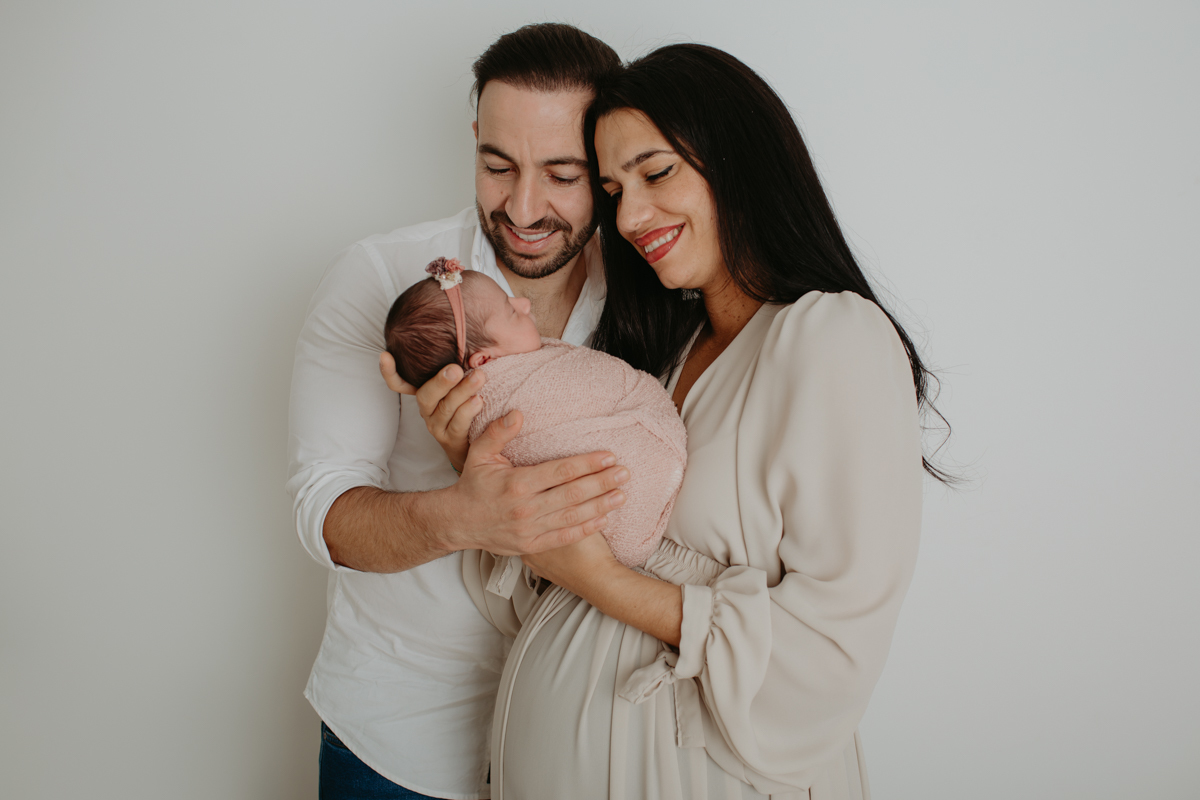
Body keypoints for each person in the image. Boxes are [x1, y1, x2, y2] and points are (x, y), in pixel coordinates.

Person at [448, 44, 942, 799]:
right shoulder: (660, 360)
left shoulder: (832, 336)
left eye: (656, 172)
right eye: (613, 189)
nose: (631, 215)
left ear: (738, 161)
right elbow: (534, 593)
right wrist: (476, 468)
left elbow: (835, 640)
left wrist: (605, 581)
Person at [286, 24, 626, 800]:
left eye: (563, 173)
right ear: (473, 139)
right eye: (497, 165)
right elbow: (323, 513)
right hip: (397, 739)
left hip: (583, 740)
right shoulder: (380, 280)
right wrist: (466, 514)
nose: (524, 206)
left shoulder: (651, 298)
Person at [384, 258, 686, 575]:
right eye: (512, 312)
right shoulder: (506, 399)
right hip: (622, 507)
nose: (524, 304)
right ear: (485, 359)